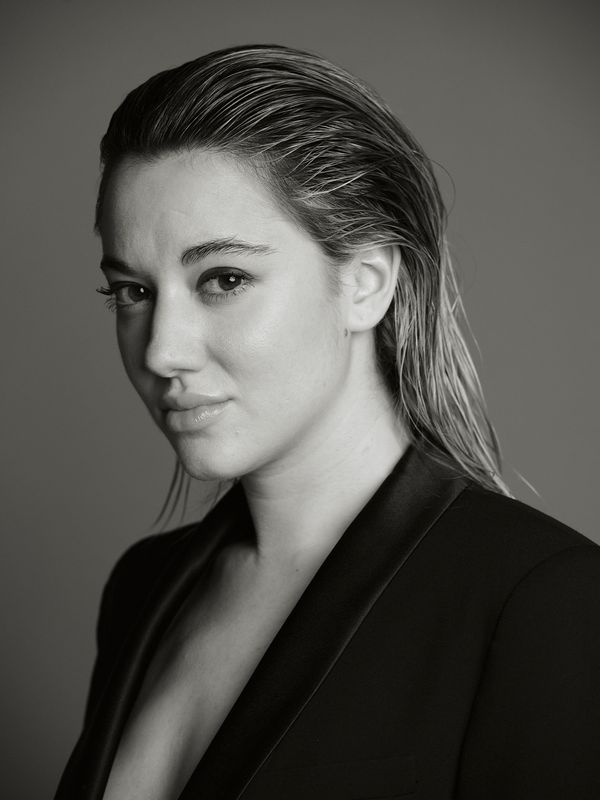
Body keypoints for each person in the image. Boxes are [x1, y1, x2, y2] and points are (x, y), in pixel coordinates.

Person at [54, 44, 600, 800]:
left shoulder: (542, 602)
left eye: (224, 279)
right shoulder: (142, 589)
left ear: (365, 284)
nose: (162, 350)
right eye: (132, 292)